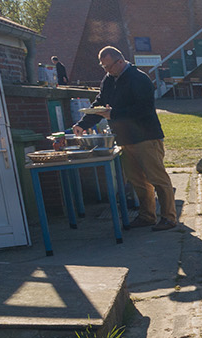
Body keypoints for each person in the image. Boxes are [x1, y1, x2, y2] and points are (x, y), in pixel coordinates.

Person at [74, 46, 177, 230]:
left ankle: (169, 217)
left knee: (157, 179)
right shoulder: (109, 79)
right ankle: (147, 216)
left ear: (120, 61)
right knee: (137, 180)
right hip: (125, 139)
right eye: (103, 66)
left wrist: (114, 114)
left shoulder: (139, 78)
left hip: (146, 137)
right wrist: (82, 124)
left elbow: (143, 109)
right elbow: (99, 103)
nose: (106, 70)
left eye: (108, 66)